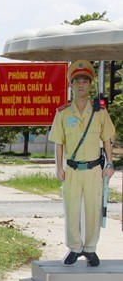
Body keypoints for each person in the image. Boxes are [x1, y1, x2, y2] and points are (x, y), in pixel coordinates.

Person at [49, 60, 116, 266]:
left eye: (85, 81)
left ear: (90, 84)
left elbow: (107, 139)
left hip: (94, 168)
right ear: (70, 85)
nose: (80, 85)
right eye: (76, 81)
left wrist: (110, 164)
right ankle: (74, 247)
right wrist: (59, 166)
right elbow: (59, 142)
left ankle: (90, 248)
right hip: (72, 169)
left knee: (93, 207)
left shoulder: (99, 112)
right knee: (72, 208)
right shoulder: (63, 113)